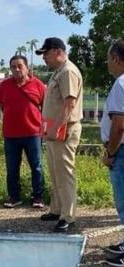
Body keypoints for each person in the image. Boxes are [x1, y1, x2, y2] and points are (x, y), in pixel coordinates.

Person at [36, 37, 83, 232]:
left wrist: (58, 127)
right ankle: (57, 209)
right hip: (54, 130)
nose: (44, 58)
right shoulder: (58, 72)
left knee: (64, 174)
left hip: (64, 129)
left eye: (45, 53)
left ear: (57, 51)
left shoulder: (68, 71)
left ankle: (68, 216)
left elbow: (69, 103)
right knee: (55, 172)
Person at [0, 55, 45, 209]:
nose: (16, 69)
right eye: (13, 67)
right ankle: (14, 197)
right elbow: (3, 107)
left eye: (20, 66)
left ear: (27, 67)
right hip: (11, 135)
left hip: (33, 133)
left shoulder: (38, 85)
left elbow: (45, 108)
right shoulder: (4, 86)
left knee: (36, 166)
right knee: (12, 168)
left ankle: (38, 197)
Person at [100, 39, 124, 267]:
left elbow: (119, 125)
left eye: (109, 58)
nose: (107, 63)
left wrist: (110, 152)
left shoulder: (121, 84)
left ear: (116, 59)